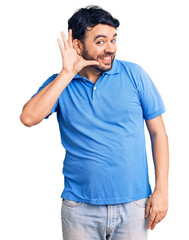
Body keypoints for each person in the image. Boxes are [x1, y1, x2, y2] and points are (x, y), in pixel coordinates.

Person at [20, 5, 169, 240]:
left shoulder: (135, 75)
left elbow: (159, 133)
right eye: (100, 42)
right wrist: (67, 73)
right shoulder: (60, 84)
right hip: (79, 208)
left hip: (134, 205)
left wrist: (162, 190)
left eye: (113, 40)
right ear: (78, 45)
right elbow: (28, 118)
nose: (110, 48)